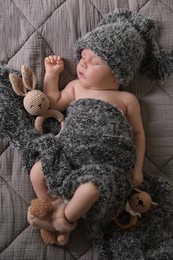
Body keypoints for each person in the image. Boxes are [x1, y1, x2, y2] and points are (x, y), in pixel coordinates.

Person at [27, 48, 145, 239]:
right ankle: (51, 207)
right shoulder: (76, 87)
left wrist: (138, 168)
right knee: (37, 171)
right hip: (69, 158)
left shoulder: (127, 99)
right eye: (83, 58)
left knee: (90, 190)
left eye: (94, 62)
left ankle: (62, 221)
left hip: (104, 166)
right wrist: (51, 75)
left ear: (118, 74)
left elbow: (138, 134)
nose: (82, 64)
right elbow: (54, 102)